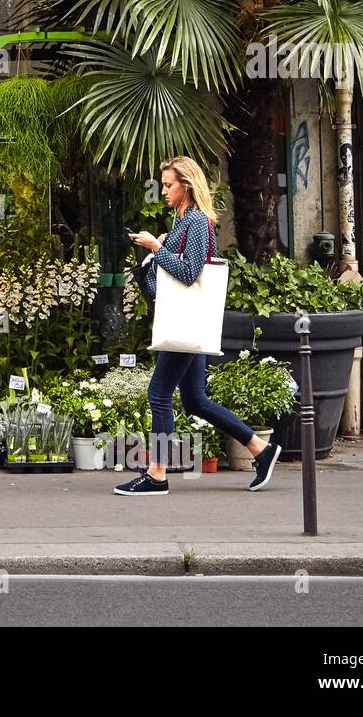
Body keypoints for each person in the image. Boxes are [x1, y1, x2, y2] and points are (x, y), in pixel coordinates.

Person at [116, 156, 282, 496]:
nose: (163, 191)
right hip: (185, 321)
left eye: (168, 185)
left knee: (159, 394)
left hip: (185, 322)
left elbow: (191, 272)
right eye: (163, 184)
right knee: (195, 400)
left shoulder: (197, 222)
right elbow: (171, 274)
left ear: (187, 186)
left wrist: (157, 247)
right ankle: (260, 450)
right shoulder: (182, 222)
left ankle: (157, 475)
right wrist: (156, 252)